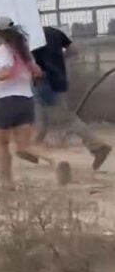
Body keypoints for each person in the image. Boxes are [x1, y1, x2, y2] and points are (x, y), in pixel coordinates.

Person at [0, 17, 68, 185]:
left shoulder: (3, 51)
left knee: (1, 142)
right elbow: (37, 72)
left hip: (8, 100)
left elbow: (7, 73)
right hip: (26, 100)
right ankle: (54, 161)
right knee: (24, 146)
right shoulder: (24, 52)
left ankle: (6, 182)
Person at [32, 26, 111, 170]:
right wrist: (59, 61)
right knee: (42, 116)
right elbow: (74, 50)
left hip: (44, 81)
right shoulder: (53, 32)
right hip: (57, 78)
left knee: (64, 118)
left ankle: (97, 146)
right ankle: (31, 150)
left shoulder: (30, 35)